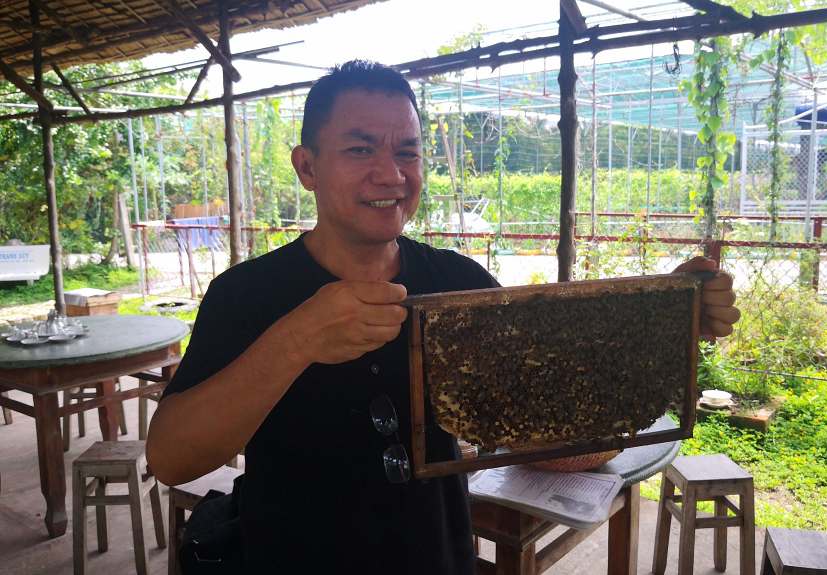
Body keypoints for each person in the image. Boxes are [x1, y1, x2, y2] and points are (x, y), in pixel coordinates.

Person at [147, 60, 740, 574]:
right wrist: (295, 340)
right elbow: (172, 459)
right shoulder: (246, 293)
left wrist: (663, 317)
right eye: (360, 149)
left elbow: (551, 390)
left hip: (437, 555)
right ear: (307, 167)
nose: (391, 174)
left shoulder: (457, 282)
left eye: (407, 151)